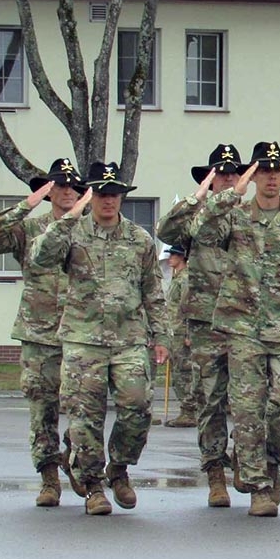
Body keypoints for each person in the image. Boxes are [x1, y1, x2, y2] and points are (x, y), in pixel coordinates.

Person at [192, 142, 280, 517]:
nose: (271, 177)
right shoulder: (234, 219)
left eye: (277, 170)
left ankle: (269, 459)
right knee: (248, 410)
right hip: (242, 329)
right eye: (264, 170)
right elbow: (200, 230)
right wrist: (231, 195)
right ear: (252, 176)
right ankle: (259, 488)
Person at [30, 161, 169, 516]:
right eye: (102, 193)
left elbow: (153, 291)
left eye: (115, 194)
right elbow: (40, 257)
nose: (109, 200)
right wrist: (68, 218)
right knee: (84, 417)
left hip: (128, 339)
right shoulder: (72, 233)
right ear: (90, 196)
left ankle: (118, 468)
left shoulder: (139, 239)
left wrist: (161, 335)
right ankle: (92, 486)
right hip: (83, 340)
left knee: (138, 407)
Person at [0, 158, 87, 506]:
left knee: (84, 406)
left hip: (82, 332)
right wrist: (27, 204)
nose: (67, 191)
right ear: (48, 191)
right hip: (39, 333)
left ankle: (78, 460)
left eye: (72, 186)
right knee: (43, 408)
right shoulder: (31, 228)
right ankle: (49, 479)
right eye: (59, 185)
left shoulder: (89, 229)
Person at [156, 143, 243, 508]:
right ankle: (215, 472)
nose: (228, 179)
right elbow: (165, 230)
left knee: (256, 397)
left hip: (247, 319)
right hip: (206, 320)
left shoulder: (253, 214)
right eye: (220, 173)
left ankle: (247, 456)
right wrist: (199, 196)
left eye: (233, 173)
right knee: (211, 399)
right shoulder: (197, 218)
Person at [162, 243, 201, 428]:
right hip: (174, 329)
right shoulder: (177, 277)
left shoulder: (185, 278)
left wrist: (188, 333)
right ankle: (187, 409)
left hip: (181, 330)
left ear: (182, 258)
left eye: (174, 255)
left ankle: (189, 410)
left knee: (183, 372)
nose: (170, 258)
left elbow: (187, 307)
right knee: (178, 370)